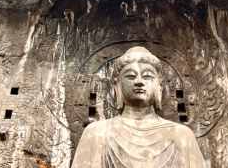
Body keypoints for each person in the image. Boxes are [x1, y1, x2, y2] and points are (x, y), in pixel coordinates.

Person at [71, 46, 206, 168]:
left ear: (159, 85)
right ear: (117, 85)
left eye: (147, 76)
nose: (139, 82)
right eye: (131, 76)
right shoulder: (97, 133)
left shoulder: (181, 135)